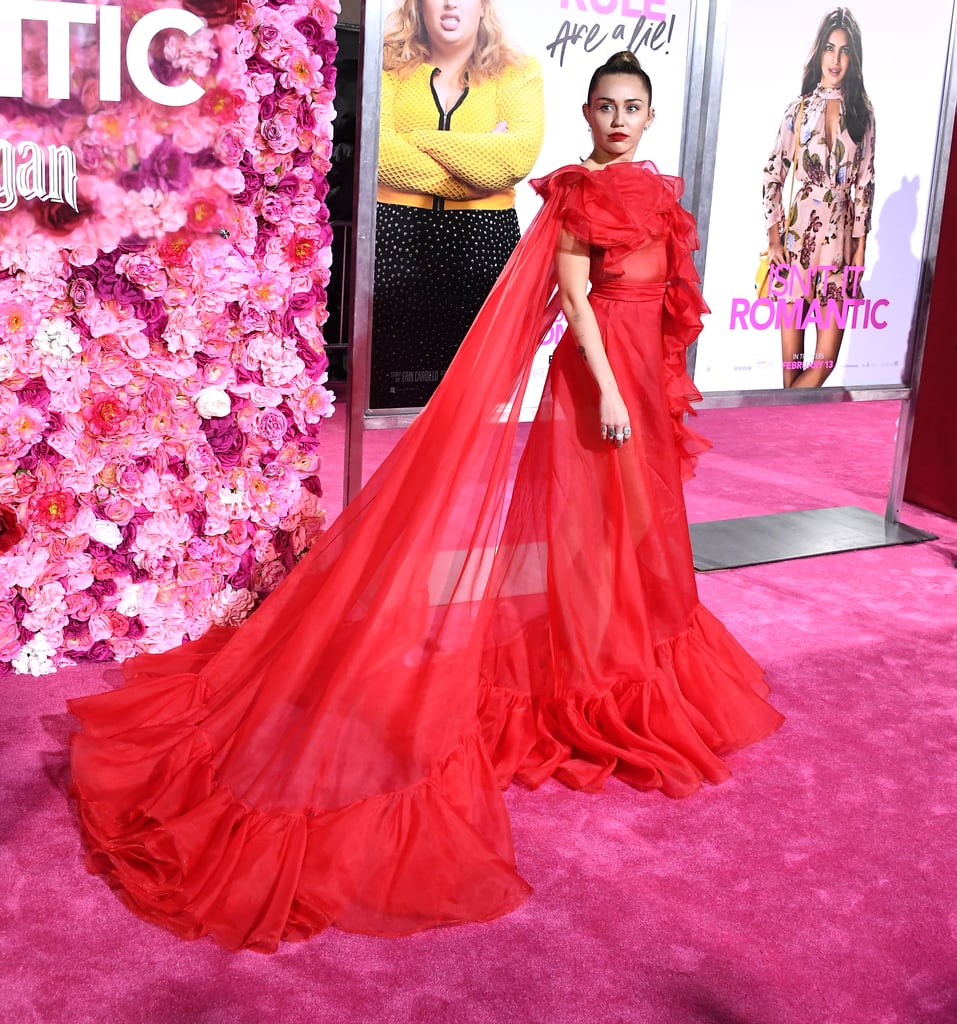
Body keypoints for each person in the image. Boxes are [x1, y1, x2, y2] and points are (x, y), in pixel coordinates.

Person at [68, 52, 783, 953]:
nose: (617, 119)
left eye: (631, 107)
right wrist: (604, 386)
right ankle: (591, 666)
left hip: (643, 375)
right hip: (597, 377)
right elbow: (574, 298)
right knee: (586, 524)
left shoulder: (655, 186)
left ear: (647, 114)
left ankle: (614, 654)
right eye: (604, 105)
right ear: (588, 111)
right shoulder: (574, 191)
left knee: (636, 530)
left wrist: (661, 379)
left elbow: (669, 295)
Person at [370, 0, 545, 408]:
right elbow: (378, 153)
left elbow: (514, 158)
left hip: (483, 241)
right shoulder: (387, 63)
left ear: (484, 6)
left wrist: (416, 137)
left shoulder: (517, 71)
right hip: (396, 234)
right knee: (390, 397)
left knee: (475, 402)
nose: (451, 3)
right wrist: (474, 174)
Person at [763, 7, 875, 388]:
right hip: (796, 244)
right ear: (820, 53)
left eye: (844, 51)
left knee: (823, 362)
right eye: (830, 48)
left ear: (853, 58)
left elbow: (865, 183)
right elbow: (772, 174)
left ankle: (772, 426)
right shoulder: (798, 110)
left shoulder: (862, 114)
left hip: (840, 249)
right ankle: (783, 441)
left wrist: (859, 251)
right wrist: (774, 238)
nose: (836, 59)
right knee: (791, 369)